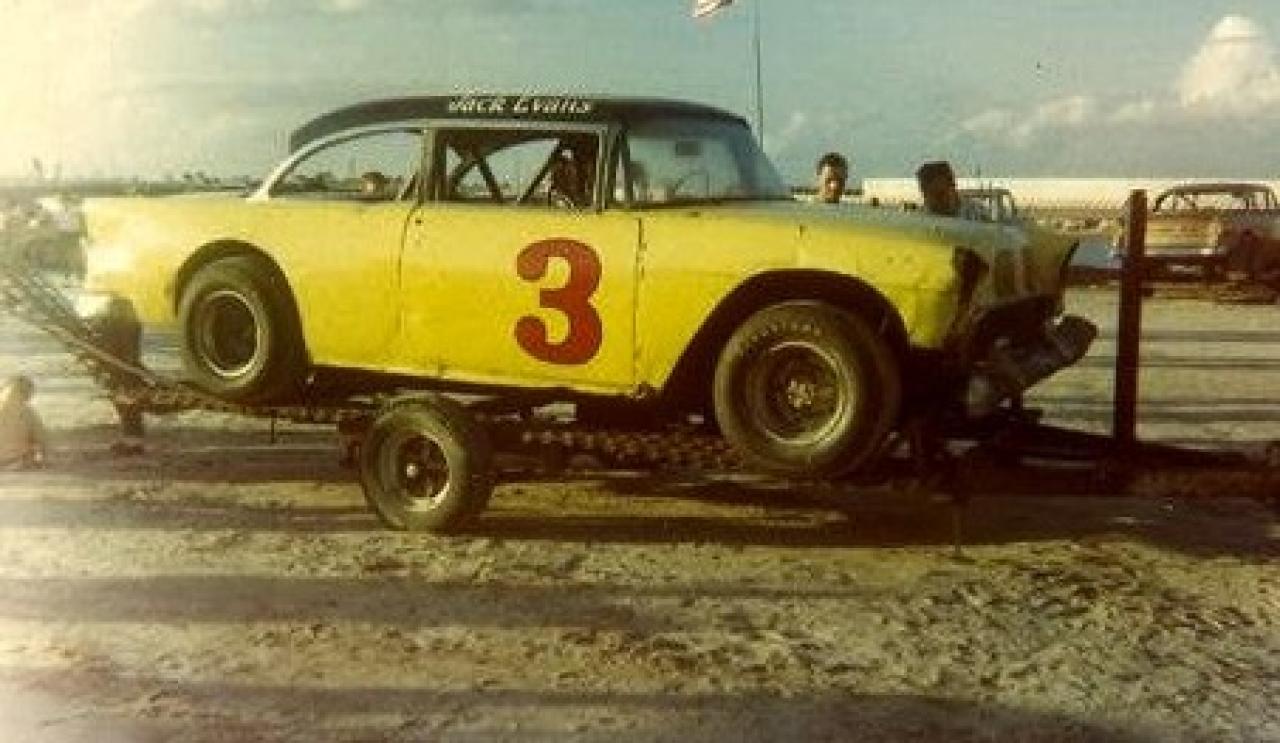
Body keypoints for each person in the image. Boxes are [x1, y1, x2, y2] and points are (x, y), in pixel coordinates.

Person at [87, 298, 146, 456]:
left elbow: (114, 348)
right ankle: (132, 440)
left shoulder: (118, 326)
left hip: (122, 373)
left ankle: (133, 442)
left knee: (127, 407)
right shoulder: (130, 325)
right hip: (127, 371)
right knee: (127, 407)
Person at [0, 375, 47, 469]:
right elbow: (40, 442)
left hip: (15, 460)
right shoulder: (30, 414)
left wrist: (39, 456)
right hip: (15, 460)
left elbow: (40, 442)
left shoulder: (30, 414)